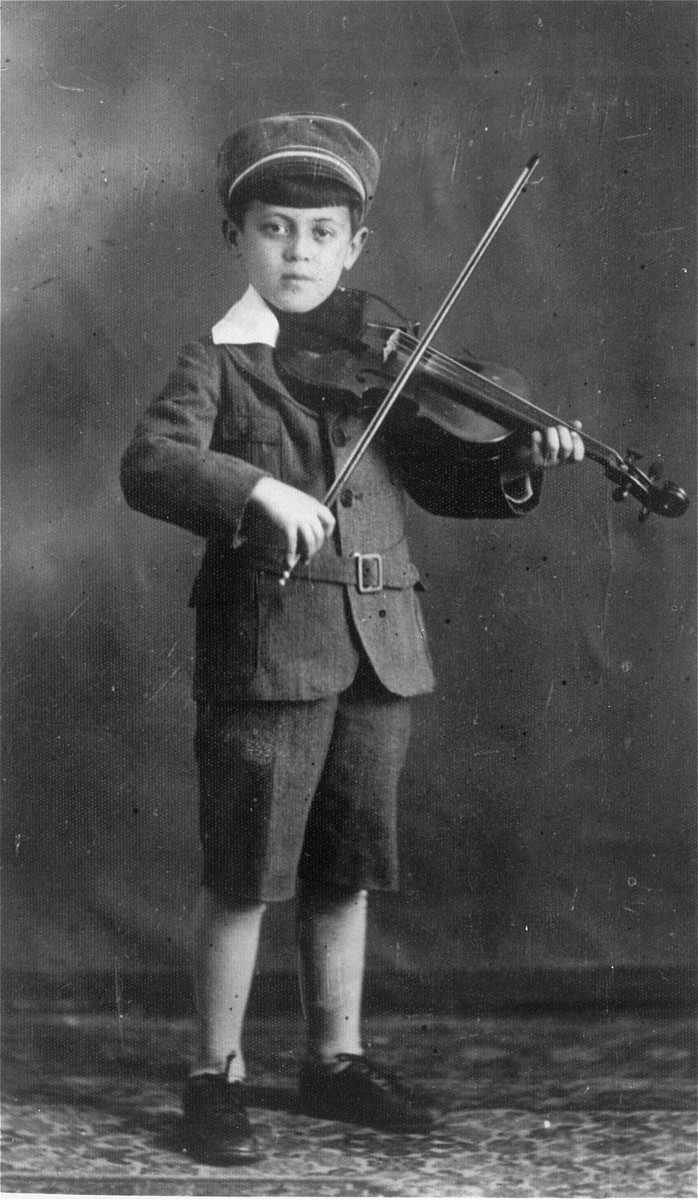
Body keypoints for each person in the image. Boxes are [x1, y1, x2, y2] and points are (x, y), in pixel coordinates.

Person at [120, 113, 584, 1165]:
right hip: (269, 652)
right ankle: (214, 1073)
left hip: (380, 646)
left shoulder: (378, 365)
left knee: (345, 867)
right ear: (233, 237)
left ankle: (333, 1059)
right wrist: (254, 490)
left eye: (318, 233)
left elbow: (449, 478)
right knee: (247, 870)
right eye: (274, 229)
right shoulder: (219, 361)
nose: (296, 252)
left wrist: (521, 458)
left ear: (354, 248)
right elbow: (151, 463)